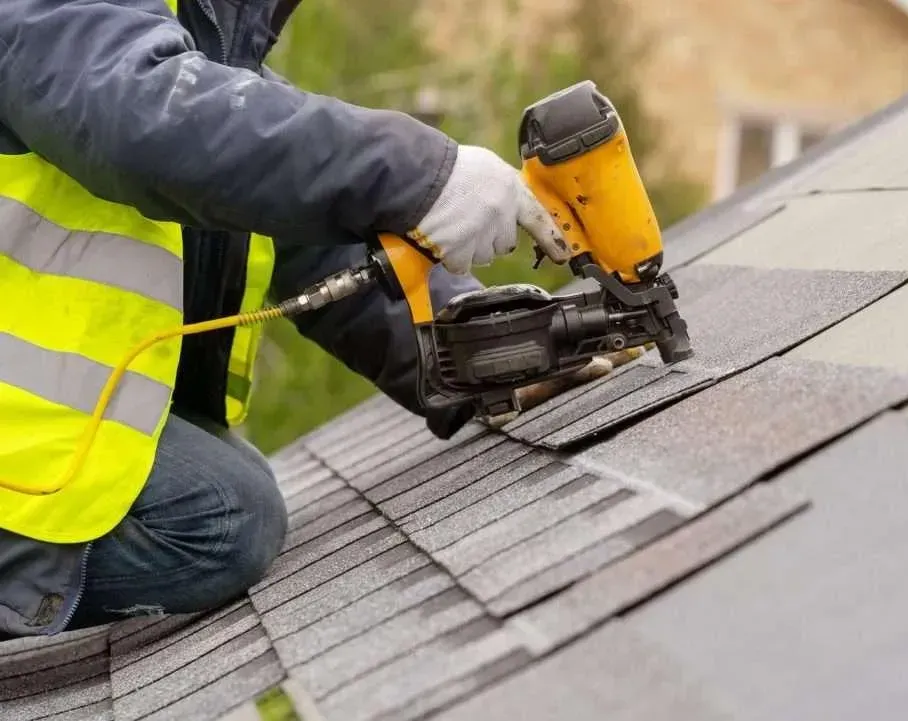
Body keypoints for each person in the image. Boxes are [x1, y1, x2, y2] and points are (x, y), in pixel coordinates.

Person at [0, 0, 600, 638]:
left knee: (234, 491)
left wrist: (477, 344)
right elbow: (149, 119)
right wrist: (421, 173)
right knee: (223, 516)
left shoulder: (204, 42)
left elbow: (316, 238)